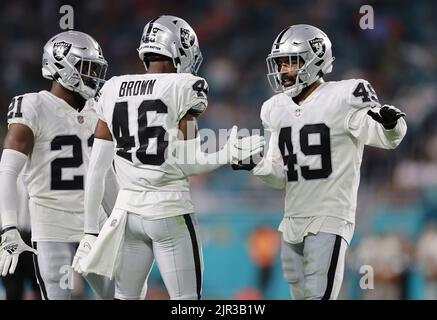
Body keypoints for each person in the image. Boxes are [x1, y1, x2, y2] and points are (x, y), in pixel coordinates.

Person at [72, 15, 264, 300]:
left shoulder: (111, 89)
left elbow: (97, 170)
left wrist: (90, 231)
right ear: (178, 48)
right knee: (186, 302)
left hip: (126, 216)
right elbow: (189, 163)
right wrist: (228, 154)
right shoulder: (185, 86)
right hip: (168, 210)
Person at [233, 24, 407, 300]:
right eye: (279, 64)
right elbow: (279, 175)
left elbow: (385, 138)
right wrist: (255, 164)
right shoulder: (274, 108)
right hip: (291, 220)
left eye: (290, 62)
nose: (282, 71)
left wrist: (391, 125)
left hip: (329, 216)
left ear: (315, 59)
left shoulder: (345, 94)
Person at [0, 31, 117, 300]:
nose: (93, 77)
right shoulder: (33, 106)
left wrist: (120, 219)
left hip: (94, 226)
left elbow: (107, 173)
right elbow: (7, 171)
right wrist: (9, 229)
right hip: (52, 228)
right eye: (87, 69)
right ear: (62, 66)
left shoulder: (98, 109)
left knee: (121, 295)